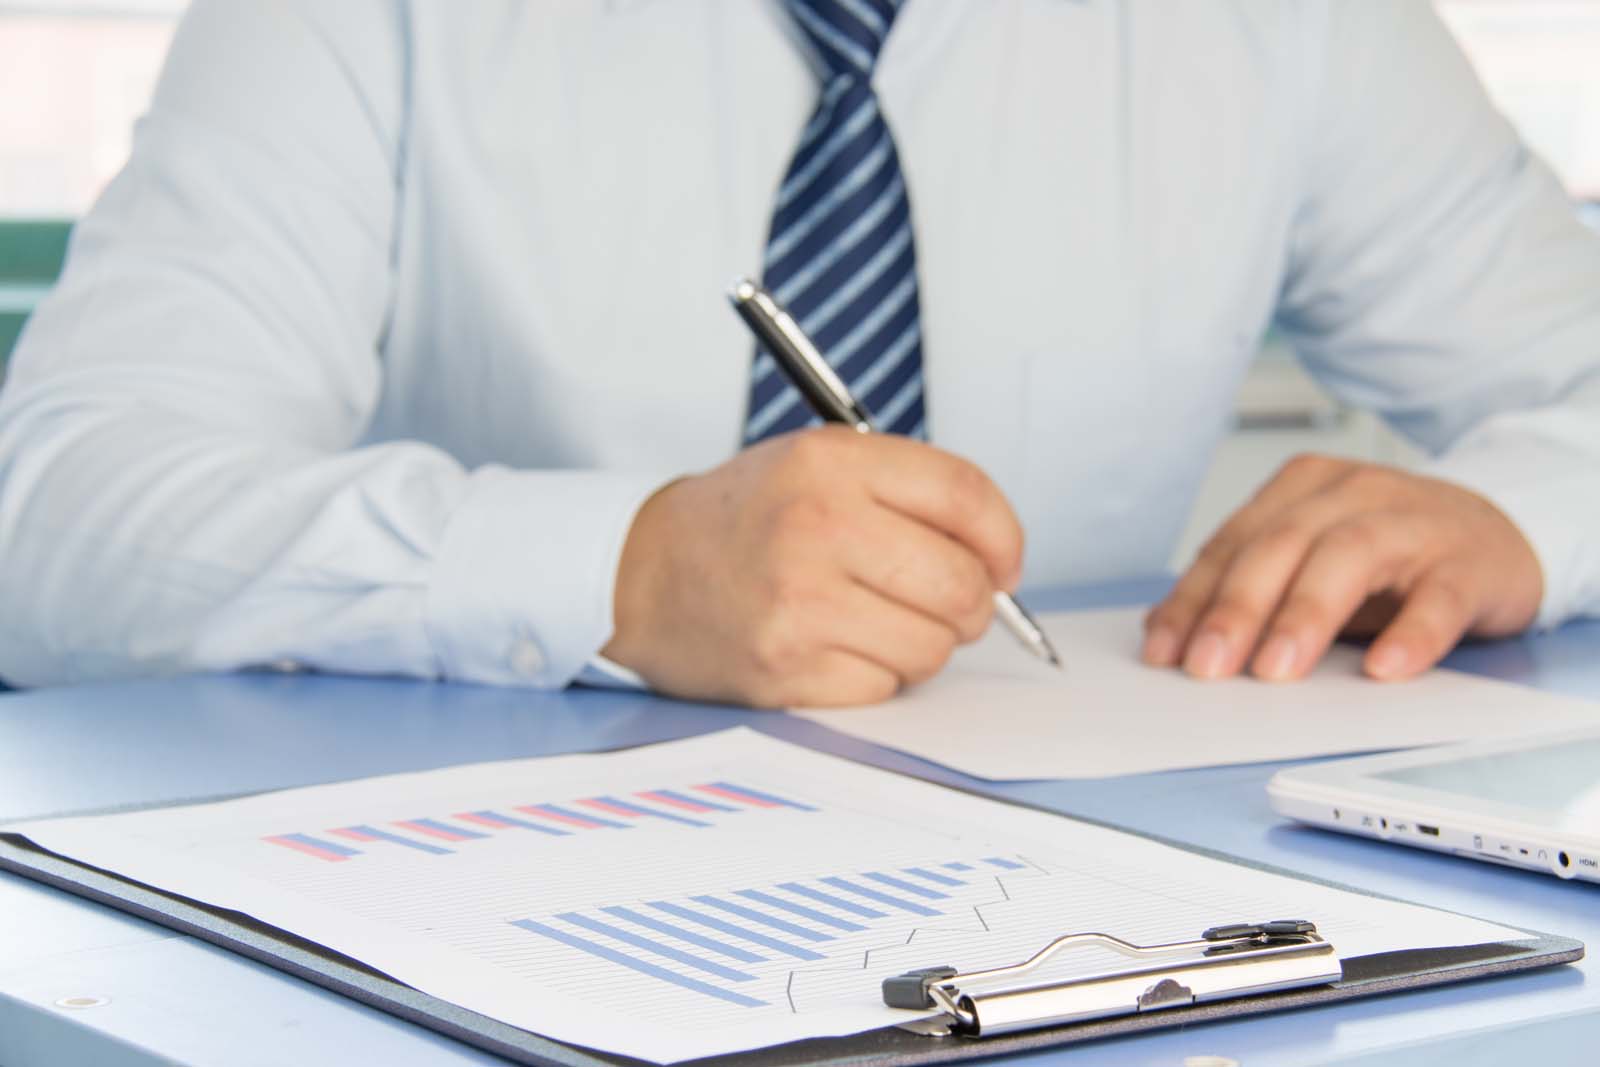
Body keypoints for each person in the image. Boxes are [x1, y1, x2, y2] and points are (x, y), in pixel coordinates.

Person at [0, 0, 1596, 707]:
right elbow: (58, 522)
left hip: (1096, 926)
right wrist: (616, 572)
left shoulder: (1292, 21)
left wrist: (1521, 516)